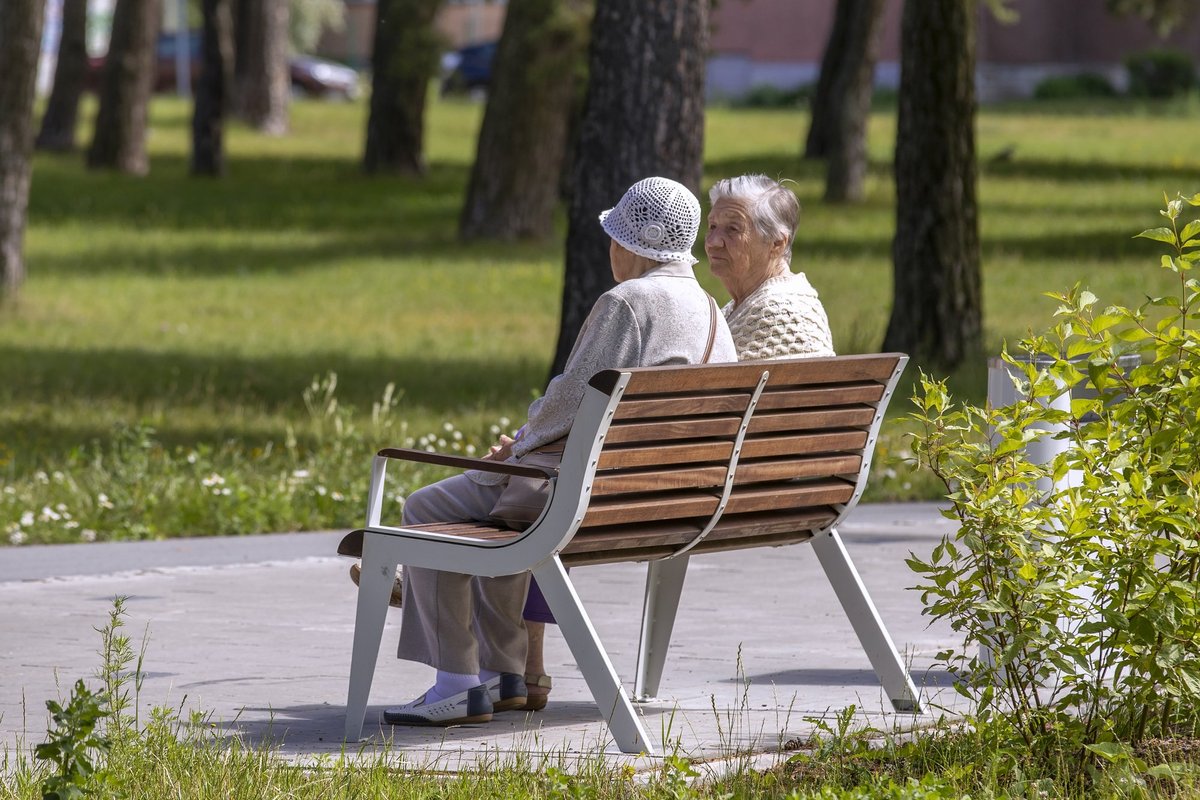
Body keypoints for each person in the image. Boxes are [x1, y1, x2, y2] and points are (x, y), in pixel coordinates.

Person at [382, 177, 737, 726]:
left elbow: (571, 398)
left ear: (631, 244)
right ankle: (502, 675)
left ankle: (457, 684)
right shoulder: (711, 312)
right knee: (501, 521)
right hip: (658, 496)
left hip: (583, 494)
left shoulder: (628, 301)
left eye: (614, 237)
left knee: (425, 509)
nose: (610, 249)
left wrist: (516, 447)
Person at [705, 174, 834, 360]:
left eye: (733, 229)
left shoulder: (778, 313)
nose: (712, 242)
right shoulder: (745, 306)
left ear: (777, 243)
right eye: (712, 226)